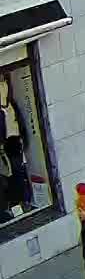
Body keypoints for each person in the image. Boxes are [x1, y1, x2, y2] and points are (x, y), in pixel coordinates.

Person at [0, 78, 32, 215]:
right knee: (11, 175)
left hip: (12, 142)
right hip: (8, 143)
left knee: (16, 174)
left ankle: (20, 203)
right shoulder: (6, 109)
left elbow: (18, 123)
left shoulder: (9, 107)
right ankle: (15, 204)